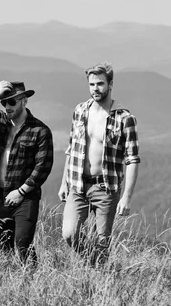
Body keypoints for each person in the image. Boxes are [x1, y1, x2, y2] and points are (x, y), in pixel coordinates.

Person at [59, 63, 140, 265]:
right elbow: (71, 148)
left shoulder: (124, 118)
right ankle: (94, 263)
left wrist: (126, 197)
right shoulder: (80, 111)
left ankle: (98, 278)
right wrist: (63, 183)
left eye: (100, 84)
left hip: (106, 187)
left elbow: (132, 159)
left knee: (101, 242)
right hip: (77, 185)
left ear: (110, 84)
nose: (95, 88)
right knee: (69, 234)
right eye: (92, 84)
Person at [0, 81, 53, 265]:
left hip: (26, 197)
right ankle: (9, 284)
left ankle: (32, 280)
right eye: (4, 102)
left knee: (23, 243)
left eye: (12, 102)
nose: (7, 107)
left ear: (24, 101)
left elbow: (43, 167)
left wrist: (21, 191)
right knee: (3, 247)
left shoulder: (40, 130)